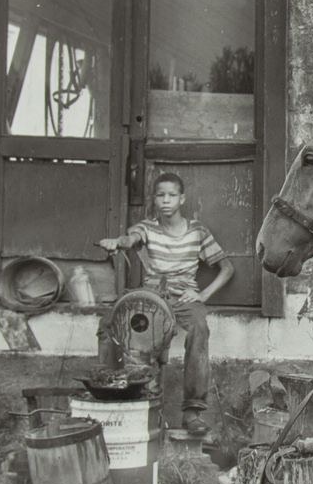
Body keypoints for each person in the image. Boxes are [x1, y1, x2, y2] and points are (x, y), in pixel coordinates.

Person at [98, 172, 234, 437]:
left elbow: (227, 269)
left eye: (172, 195)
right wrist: (118, 243)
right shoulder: (147, 228)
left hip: (185, 296)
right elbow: (131, 240)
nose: (166, 200)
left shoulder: (197, 231)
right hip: (153, 297)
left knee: (199, 330)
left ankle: (193, 411)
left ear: (181, 198)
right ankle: (121, 396)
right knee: (111, 325)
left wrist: (202, 296)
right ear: (154, 199)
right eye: (160, 195)